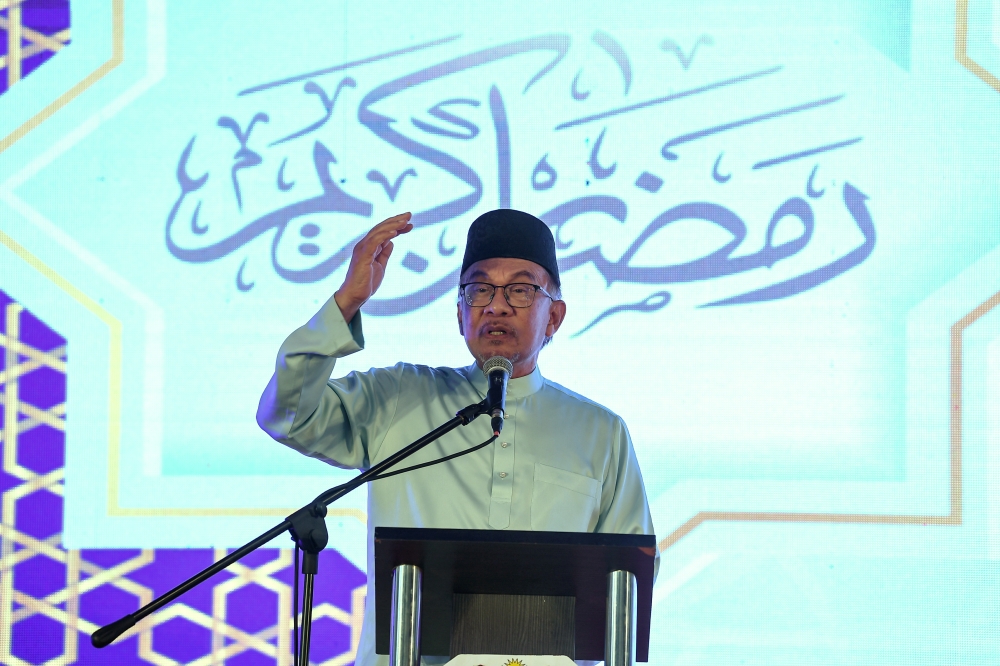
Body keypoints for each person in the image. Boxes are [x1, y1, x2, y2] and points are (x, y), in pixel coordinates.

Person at [257, 208, 658, 666]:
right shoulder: (397, 397)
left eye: (522, 290)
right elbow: (286, 415)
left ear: (555, 317)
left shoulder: (600, 431)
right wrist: (346, 302)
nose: (497, 305)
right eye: (479, 288)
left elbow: (630, 579)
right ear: (460, 312)